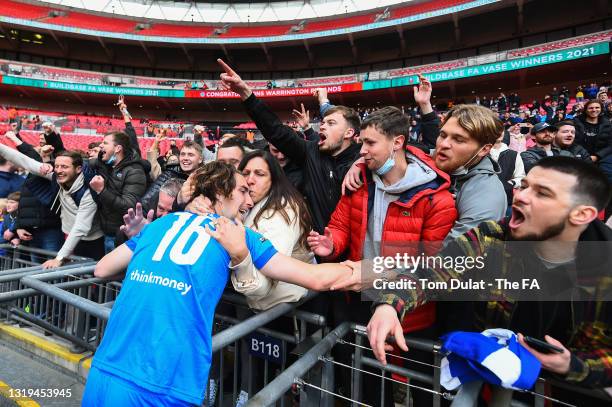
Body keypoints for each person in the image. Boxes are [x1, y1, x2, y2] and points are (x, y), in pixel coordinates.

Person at [83, 161, 352, 407]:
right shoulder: (236, 235)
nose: (249, 200)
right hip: (165, 382)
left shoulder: (158, 225)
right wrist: (382, 270)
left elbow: (103, 267)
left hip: (107, 366)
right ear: (221, 192)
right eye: (243, 191)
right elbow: (316, 277)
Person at [354, 157, 611, 402]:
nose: (520, 195)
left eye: (542, 193)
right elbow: (433, 272)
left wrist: (572, 365)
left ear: (581, 214)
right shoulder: (491, 236)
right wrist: (390, 304)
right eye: (523, 186)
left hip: (561, 395)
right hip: (486, 385)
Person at [218, 59, 362, 233]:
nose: (322, 126)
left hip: (360, 252)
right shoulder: (311, 152)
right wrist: (246, 93)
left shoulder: (365, 160)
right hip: (318, 247)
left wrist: (361, 161)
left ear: (349, 133)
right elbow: (276, 131)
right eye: (323, 122)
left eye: (330, 123)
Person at [0, 144, 105, 264]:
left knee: (88, 276)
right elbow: (25, 161)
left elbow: (81, 227)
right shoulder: (56, 176)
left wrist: (59, 258)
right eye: (57, 166)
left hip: (91, 239)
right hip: (69, 234)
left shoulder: (88, 190)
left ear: (78, 169)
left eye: (64, 167)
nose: (59, 170)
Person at [89, 132, 148, 252]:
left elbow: (129, 206)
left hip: (123, 237)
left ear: (118, 148)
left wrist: (101, 190)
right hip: (107, 233)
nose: (101, 146)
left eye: (105, 143)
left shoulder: (135, 171)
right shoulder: (108, 165)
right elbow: (84, 162)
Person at [573, 99, 612, 182]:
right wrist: (585, 156)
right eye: (591, 108)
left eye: (597, 107)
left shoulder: (607, 124)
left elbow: (610, 145)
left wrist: (597, 156)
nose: (594, 110)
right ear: (586, 110)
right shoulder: (576, 122)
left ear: (601, 109)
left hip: (602, 157)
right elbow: (573, 142)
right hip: (581, 156)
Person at [490, 132, 525, 213]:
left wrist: (511, 183)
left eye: (501, 129)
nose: (499, 132)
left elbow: (521, 177)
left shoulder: (513, 154)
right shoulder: (480, 153)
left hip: (506, 201)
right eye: (496, 128)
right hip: (482, 200)